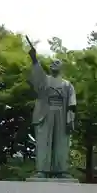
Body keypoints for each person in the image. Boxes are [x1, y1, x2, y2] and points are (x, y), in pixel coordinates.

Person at [28, 45, 76, 178]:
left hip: (62, 113)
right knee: (44, 141)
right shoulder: (45, 80)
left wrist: (70, 118)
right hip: (46, 111)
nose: (53, 64)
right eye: (52, 62)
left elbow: (72, 104)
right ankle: (42, 170)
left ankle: (61, 170)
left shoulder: (67, 85)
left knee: (62, 142)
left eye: (57, 62)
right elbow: (37, 77)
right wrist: (34, 59)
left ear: (62, 68)